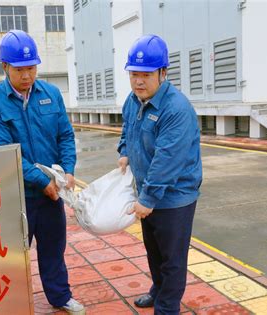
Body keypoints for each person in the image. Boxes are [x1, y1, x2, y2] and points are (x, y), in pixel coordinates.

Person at [0, 30, 85, 315]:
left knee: (54, 249)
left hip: (52, 193)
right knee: (13, 254)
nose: (26, 75)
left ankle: (60, 296)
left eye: (31, 67)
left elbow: (65, 135)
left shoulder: (51, 94)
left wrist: (67, 170)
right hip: (18, 196)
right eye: (19, 69)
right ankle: (11, 303)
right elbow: (7, 153)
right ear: (4, 67)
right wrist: (42, 182)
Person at [117, 34, 203, 314]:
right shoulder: (133, 100)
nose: (138, 81)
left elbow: (168, 159)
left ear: (163, 73)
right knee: (154, 252)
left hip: (174, 197)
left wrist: (148, 198)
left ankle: (167, 308)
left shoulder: (176, 109)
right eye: (134, 74)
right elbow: (126, 128)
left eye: (146, 75)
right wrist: (124, 151)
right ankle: (158, 289)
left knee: (172, 259)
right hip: (148, 193)